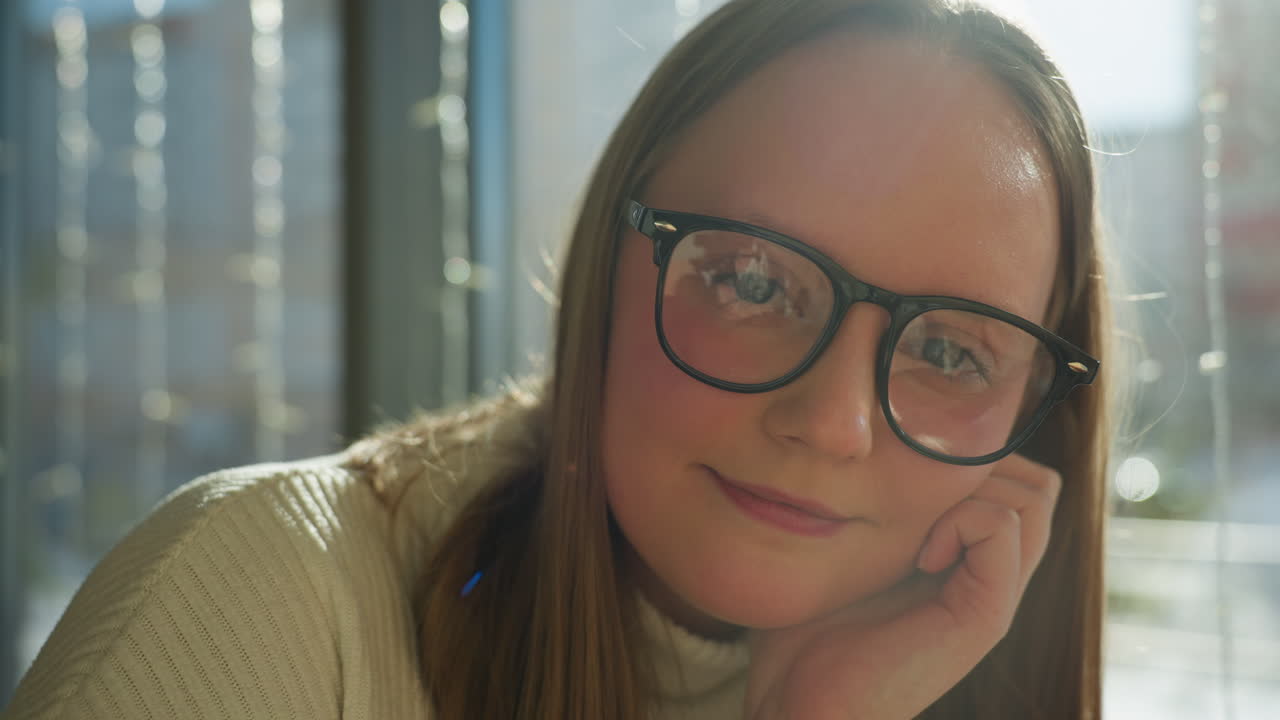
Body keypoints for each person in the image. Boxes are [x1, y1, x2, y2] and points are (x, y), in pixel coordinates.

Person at [4, 0, 1114, 718]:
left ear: (1031, 416)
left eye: (950, 353)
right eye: (752, 283)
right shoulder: (263, 607)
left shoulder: (952, 678)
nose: (830, 424)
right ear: (604, 266)